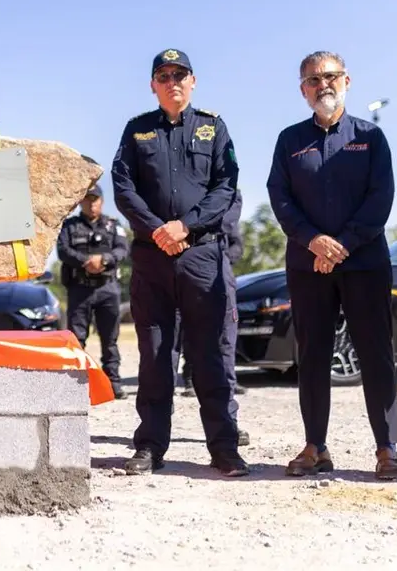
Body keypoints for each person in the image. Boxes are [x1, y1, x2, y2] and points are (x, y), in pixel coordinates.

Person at [266, 51, 397, 480]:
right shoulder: (290, 140)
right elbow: (281, 199)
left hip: (363, 262)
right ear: (303, 90)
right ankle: (315, 446)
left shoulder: (370, 137)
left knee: (375, 354)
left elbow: (380, 198)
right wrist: (314, 242)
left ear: (346, 80)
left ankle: (387, 450)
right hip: (308, 267)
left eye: (329, 76)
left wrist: (341, 244)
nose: (322, 84)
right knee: (311, 356)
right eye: (312, 79)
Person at [111, 48, 248, 477]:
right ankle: (150, 446)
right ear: (153, 84)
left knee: (211, 355)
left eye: (180, 74)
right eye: (163, 75)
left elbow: (226, 186)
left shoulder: (213, 127)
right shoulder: (137, 132)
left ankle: (224, 448)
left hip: (201, 256)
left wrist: (185, 227)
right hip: (153, 259)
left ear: (193, 81)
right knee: (154, 357)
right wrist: (157, 229)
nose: (172, 81)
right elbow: (123, 187)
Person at [177, 189, 248, 449]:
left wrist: (185, 228)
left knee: (223, 348)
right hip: (170, 262)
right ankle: (156, 431)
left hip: (214, 266)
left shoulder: (227, 189)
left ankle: (228, 424)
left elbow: (225, 223)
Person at [57, 183, 129, 400]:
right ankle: (76, 385)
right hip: (80, 289)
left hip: (108, 289)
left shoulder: (113, 225)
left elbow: (123, 249)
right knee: (77, 339)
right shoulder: (69, 226)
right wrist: (85, 261)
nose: (91, 203)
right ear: (81, 202)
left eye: (95, 199)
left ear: (102, 201)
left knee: (110, 339)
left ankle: (113, 382)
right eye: (87, 199)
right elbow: (63, 250)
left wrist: (104, 260)